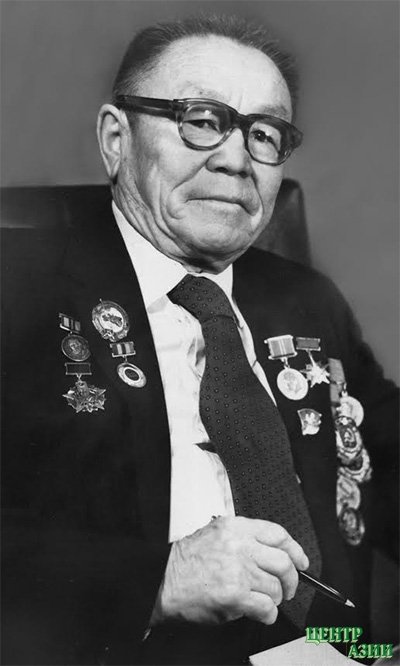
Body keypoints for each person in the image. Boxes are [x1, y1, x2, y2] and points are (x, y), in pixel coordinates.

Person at [1, 14, 398, 666]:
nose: (236, 159)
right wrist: (157, 580)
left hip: (331, 653)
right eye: (202, 120)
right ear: (116, 139)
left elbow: (387, 451)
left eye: (264, 134)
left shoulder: (307, 298)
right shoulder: (16, 289)